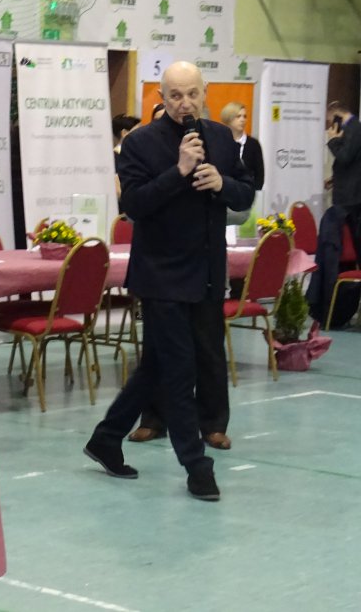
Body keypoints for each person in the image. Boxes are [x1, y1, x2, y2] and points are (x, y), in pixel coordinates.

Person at [84, 61, 254, 501]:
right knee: (179, 371)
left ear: (204, 93)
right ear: (162, 98)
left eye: (192, 94)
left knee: (157, 366)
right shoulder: (140, 143)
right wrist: (178, 171)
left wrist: (222, 183)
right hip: (161, 275)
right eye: (175, 95)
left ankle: (106, 438)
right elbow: (135, 205)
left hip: (206, 274)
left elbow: (245, 193)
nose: (185, 103)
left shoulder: (220, 137)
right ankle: (197, 466)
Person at [326, 101, 361, 252]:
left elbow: (345, 157)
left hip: (350, 196)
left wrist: (333, 140)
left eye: (331, 120)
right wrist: (334, 179)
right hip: (347, 191)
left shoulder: (354, 128)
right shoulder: (351, 128)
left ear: (337, 116)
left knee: (342, 236)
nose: (331, 124)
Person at [112, 114, 141, 205]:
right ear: (124, 133)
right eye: (138, 131)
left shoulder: (136, 156)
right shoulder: (113, 158)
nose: (142, 134)